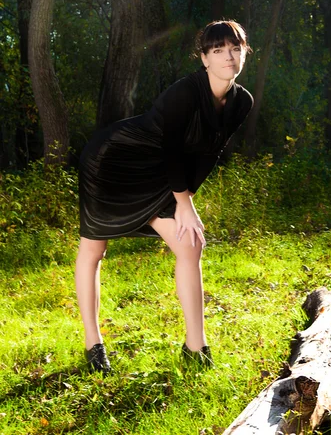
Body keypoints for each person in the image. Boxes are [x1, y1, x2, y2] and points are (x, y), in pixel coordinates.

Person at [75, 20, 253, 374]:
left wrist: (187, 204)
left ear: (245, 53)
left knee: (190, 244)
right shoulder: (184, 92)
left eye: (235, 48)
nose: (228, 57)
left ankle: (195, 347)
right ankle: (93, 345)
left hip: (163, 177)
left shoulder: (241, 101)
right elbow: (172, 149)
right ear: (204, 58)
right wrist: (183, 203)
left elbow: (208, 154)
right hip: (115, 161)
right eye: (218, 50)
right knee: (94, 249)